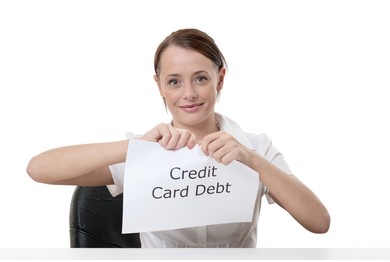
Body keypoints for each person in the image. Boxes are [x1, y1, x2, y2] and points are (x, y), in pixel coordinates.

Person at [27, 28, 330, 248]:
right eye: (174, 81)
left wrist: (252, 161)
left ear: (220, 79)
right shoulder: (146, 151)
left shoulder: (255, 146)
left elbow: (319, 222)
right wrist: (133, 149)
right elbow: (38, 169)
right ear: (159, 85)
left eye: (201, 78)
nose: (189, 93)